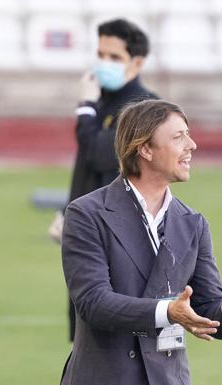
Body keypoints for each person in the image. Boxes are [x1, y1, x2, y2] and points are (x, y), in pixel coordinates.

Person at [60, 99, 222, 385]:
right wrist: (167, 312)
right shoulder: (86, 214)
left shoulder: (193, 223)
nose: (192, 145)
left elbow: (204, 309)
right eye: (178, 136)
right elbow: (94, 302)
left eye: (189, 133)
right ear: (145, 149)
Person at [61, 18, 158, 341]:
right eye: (100, 54)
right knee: (84, 335)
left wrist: (85, 108)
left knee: (113, 341)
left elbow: (100, 154)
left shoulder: (142, 108)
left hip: (122, 240)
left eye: (114, 58)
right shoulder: (106, 100)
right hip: (91, 232)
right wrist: (69, 214)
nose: (104, 64)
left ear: (138, 62)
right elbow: (88, 170)